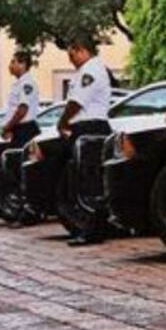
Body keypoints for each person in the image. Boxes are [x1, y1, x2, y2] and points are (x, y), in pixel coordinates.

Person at [56, 36, 112, 246]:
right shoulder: (89, 69)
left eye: (71, 53)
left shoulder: (90, 70)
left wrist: (62, 121)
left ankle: (93, 231)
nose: (70, 59)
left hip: (90, 128)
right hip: (88, 128)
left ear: (81, 49)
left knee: (90, 182)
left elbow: (76, 102)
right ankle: (89, 228)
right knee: (84, 180)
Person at [1, 51, 41, 149]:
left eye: (13, 62)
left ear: (22, 64)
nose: (10, 66)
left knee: (17, 160)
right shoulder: (18, 84)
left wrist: (8, 126)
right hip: (18, 129)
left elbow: (22, 109)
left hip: (25, 130)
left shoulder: (27, 83)